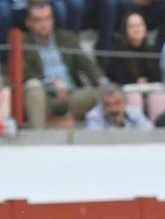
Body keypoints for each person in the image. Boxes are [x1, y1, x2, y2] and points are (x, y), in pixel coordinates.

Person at [21, 0, 108, 128]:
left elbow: (86, 63)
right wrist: (50, 83)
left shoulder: (67, 38)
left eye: (47, 18)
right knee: (32, 86)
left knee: (104, 92)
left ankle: (66, 120)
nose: (43, 24)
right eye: (38, 20)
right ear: (28, 22)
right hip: (45, 98)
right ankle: (38, 137)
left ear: (53, 20)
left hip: (70, 95)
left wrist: (101, 80)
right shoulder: (23, 42)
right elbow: (26, 72)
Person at [84, 83, 154, 128]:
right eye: (108, 105)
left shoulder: (135, 113)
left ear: (125, 102)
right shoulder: (94, 116)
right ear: (102, 105)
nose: (113, 109)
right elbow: (96, 143)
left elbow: (150, 135)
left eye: (117, 103)